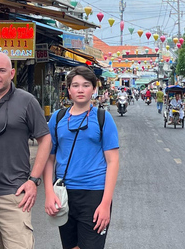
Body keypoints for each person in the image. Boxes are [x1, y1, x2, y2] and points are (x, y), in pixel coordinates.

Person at [0, 52, 52, 249]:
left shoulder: (27, 101)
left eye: (1, 71)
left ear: (12, 73)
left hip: (14, 194)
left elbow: (45, 139)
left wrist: (33, 180)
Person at [44, 66, 120, 249]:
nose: (80, 90)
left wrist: (105, 204)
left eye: (86, 85)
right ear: (68, 89)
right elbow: (48, 158)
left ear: (94, 89)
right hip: (64, 193)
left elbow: (113, 161)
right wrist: (48, 193)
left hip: (94, 193)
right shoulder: (57, 118)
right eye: (75, 85)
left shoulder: (103, 118)